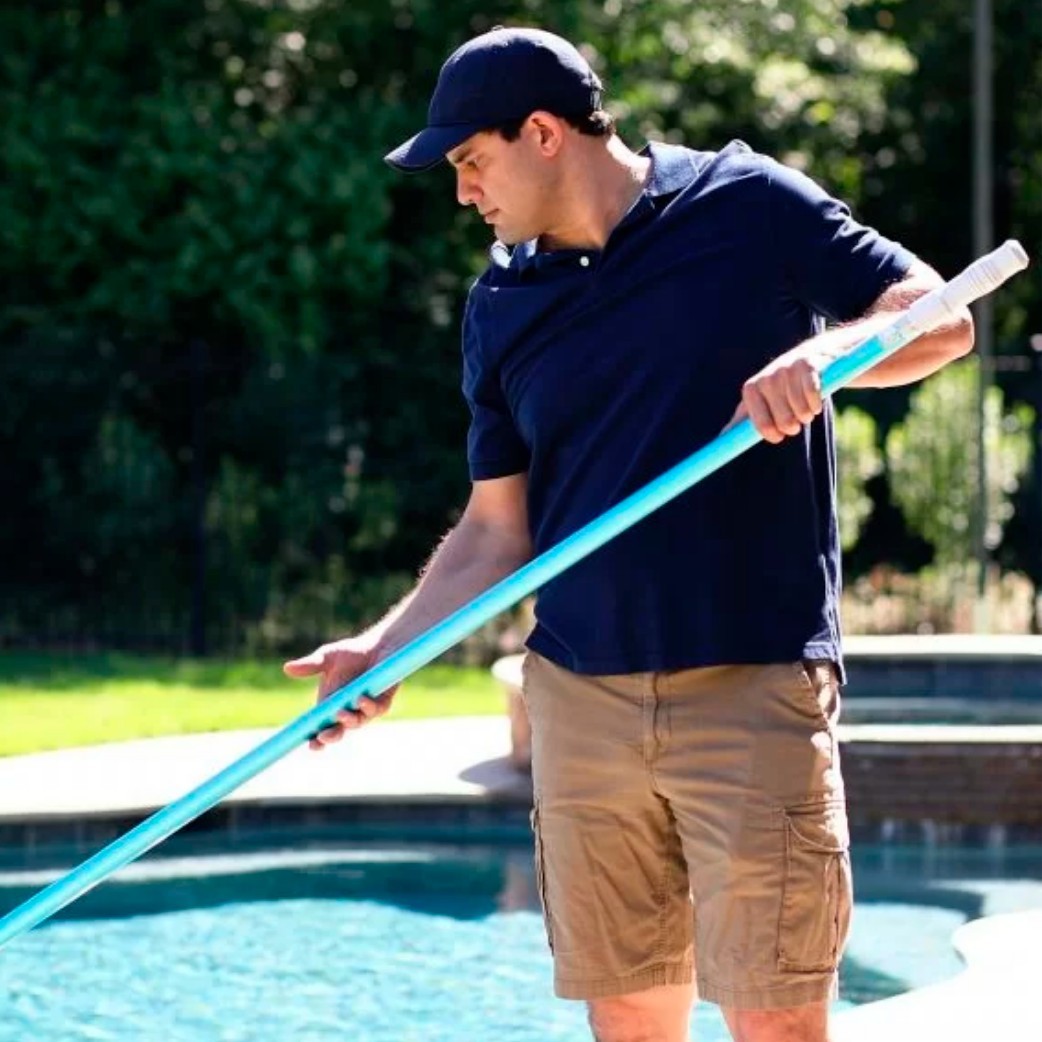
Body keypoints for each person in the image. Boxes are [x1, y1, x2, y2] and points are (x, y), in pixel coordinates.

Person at [285, 26, 973, 1042]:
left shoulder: (744, 205)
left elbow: (938, 314)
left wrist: (829, 354)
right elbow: (495, 528)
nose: (465, 191)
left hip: (749, 682)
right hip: (582, 702)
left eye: (472, 161)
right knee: (631, 1019)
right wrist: (389, 650)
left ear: (542, 132)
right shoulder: (503, 306)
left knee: (779, 1020)